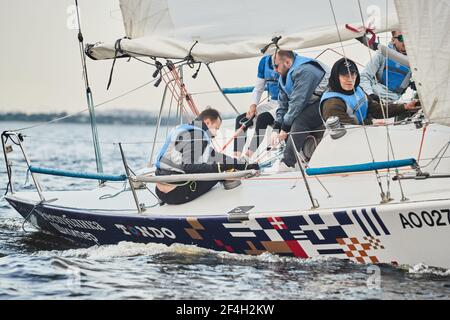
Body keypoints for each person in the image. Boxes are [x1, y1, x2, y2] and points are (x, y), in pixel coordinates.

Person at [155, 108, 259, 205]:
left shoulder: (185, 129)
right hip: (177, 192)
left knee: (218, 166)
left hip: (160, 191)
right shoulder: (197, 135)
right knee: (220, 172)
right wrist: (220, 168)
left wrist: (243, 165)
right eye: (216, 129)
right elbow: (188, 166)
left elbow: (215, 156)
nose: (216, 134)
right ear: (207, 122)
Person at [270, 50, 330, 171]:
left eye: (276, 66)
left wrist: (285, 128)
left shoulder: (305, 71)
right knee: (286, 121)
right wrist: (276, 128)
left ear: (287, 62)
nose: (275, 70)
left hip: (328, 100)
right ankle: (296, 158)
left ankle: (288, 163)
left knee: (300, 121)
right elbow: (283, 105)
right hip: (310, 103)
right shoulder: (283, 77)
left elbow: (298, 102)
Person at [320, 58, 419, 126]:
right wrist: (371, 124)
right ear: (336, 77)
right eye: (345, 75)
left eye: (353, 74)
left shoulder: (357, 89)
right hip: (346, 141)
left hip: (365, 129)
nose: (350, 79)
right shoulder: (332, 104)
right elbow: (348, 130)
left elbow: (376, 110)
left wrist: (405, 107)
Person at [233, 55, 279, 158]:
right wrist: (253, 106)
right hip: (273, 102)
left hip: (286, 103)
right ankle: (236, 158)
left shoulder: (287, 58)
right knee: (240, 119)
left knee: (263, 119)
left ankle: (247, 157)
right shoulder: (264, 61)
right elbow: (258, 88)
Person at [360, 30, 414, 103]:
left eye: (408, 37)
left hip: (394, 101)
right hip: (374, 97)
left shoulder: (415, 60)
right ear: (393, 40)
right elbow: (364, 76)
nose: (405, 41)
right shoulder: (382, 54)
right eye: (401, 38)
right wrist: (370, 95)